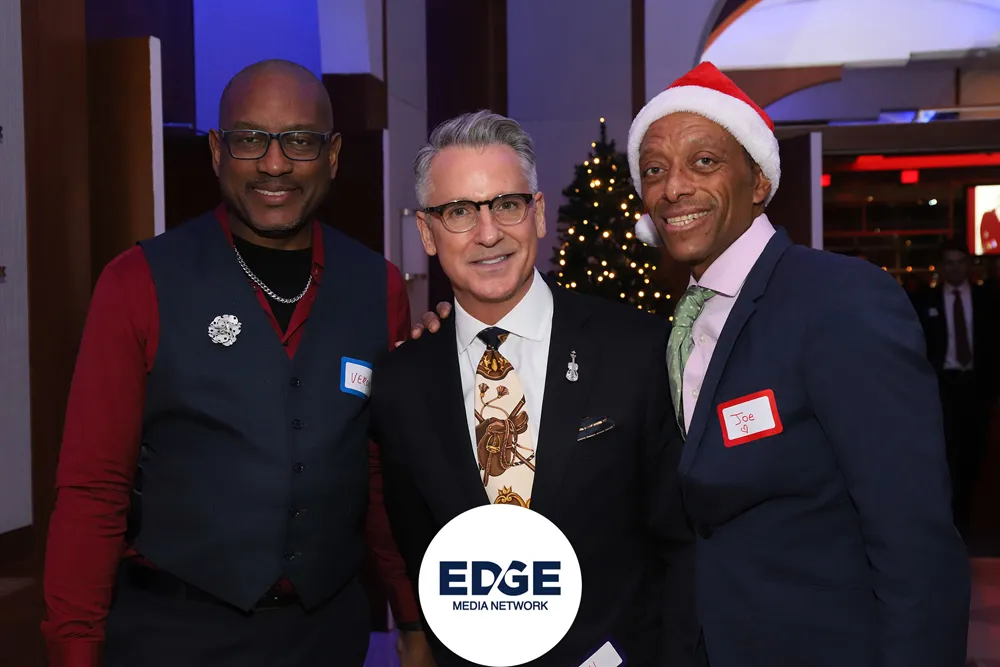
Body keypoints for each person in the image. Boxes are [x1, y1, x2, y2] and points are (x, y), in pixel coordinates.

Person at [415, 65, 971, 667]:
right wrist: (462, 337)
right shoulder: (674, 326)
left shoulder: (837, 300)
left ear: (759, 180)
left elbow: (914, 539)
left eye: (704, 162)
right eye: (654, 170)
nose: (674, 188)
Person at [41, 59, 433, 667]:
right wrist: (74, 651)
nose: (274, 165)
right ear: (217, 151)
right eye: (250, 139)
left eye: (299, 141)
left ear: (332, 156)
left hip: (326, 637)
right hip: (173, 636)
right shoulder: (137, 282)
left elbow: (379, 475)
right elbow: (94, 489)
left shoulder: (376, 287)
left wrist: (411, 618)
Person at [371, 110, 698, 665]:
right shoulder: (401, 386)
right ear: (426, 232)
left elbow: (683, 543)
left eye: (507, 204)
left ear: (538, 214)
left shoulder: (637, 350)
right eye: (459, 212)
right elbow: (422, 552)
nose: (488, 233)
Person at [912, 241, 1000, 537]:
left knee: (976, 451)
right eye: (949, 262)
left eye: (960, 262)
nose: (955, 268)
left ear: (968, 265)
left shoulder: (987, 300)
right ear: (942, 267)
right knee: (946, 452)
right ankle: (951, 517)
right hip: (942, 388)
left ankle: (969, 513)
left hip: (977, 387)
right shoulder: (925, 301)